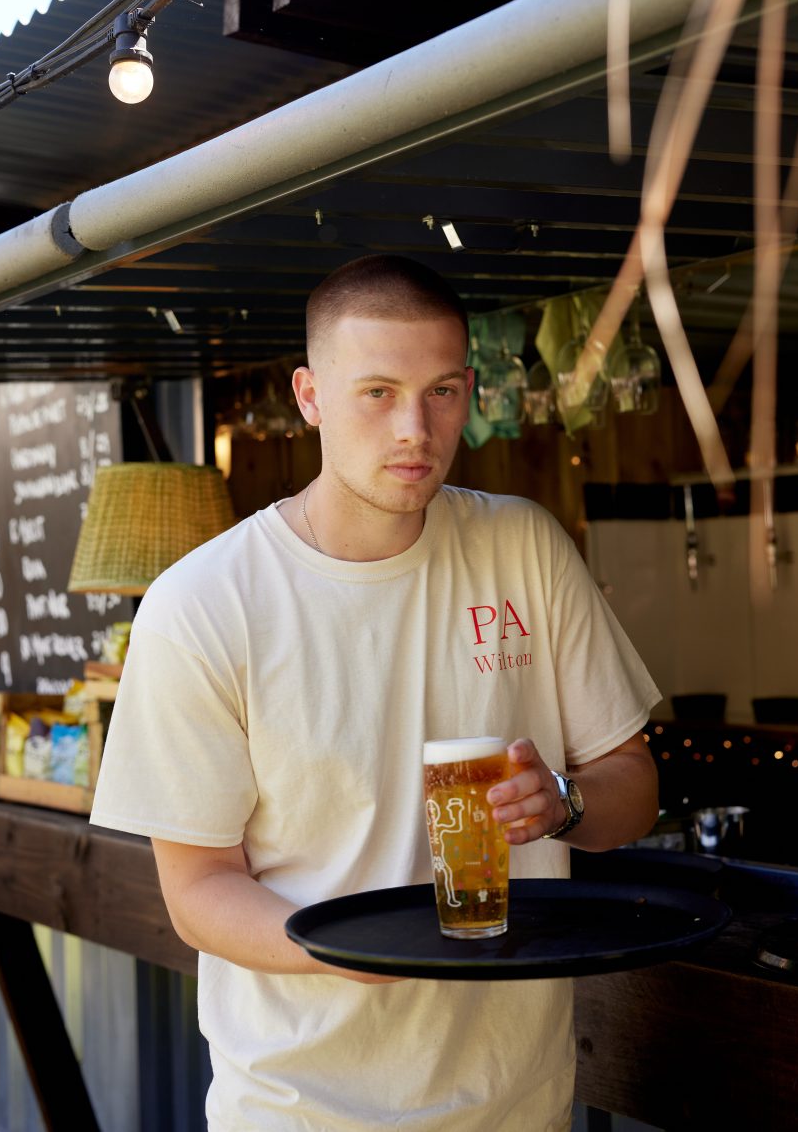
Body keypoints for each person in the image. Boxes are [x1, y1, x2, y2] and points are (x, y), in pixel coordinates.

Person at [90, 254, 660, 1132]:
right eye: (378, 392)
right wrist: (341, 951)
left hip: (518, 1104)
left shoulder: (524, 549)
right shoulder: (204, 604)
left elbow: (634, 783)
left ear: (471, 387)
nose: (415, 429)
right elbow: (197, 889)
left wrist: (565, 804)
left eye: (441, 391)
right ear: (310, 395)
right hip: (298, 1108)